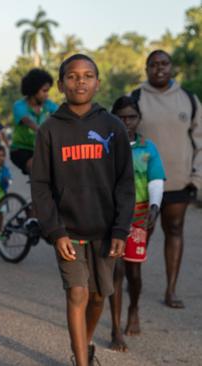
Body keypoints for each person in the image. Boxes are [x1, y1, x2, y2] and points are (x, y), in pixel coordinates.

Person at [31, 54, 134, 366]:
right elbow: (41, 184)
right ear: (61, 84)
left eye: (87, 75)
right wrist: (55, 230)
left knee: (99, 295)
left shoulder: (113, 126)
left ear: (97, 82)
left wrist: (120, 228)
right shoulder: (49, 130)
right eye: (72, 76)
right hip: (69, 231)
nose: (80, 81)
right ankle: (81, 361)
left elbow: (125, 183)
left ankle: (84, 343)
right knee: (77, 293)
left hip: (105, 230)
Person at [132, 49, 202, 309]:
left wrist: (196, 178)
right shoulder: (136, 98)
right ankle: (133, 279)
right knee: (140, 234)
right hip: (141, 186)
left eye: (164, 63)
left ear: (171, 67)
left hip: (177, 182)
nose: (159, 68)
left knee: (174, 230)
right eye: (153, 64)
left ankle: (170, 290)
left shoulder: (188, 99)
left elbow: (200, 142)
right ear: (146, 69)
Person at [108, 96, 166, 352]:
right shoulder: (104, 146)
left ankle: (133, 308)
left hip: (141, 216)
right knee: (116, 270)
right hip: (111, 216)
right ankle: (115, 328)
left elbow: (155, 179)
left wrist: (155, 206)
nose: (126, 122)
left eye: (131, 117)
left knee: (133, 272)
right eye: (120, 117)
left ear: (139, 119)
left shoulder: (148, 148)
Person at [10, 68, 58, 175]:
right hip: (22, 150)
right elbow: (28, 122)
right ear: (34, 89)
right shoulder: (19, 106)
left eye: (48, 91)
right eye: (44, 91)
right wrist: (43, 131)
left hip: (42, 149)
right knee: (36, 167)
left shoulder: (48, 104)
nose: (47, 95)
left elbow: (61, 114)